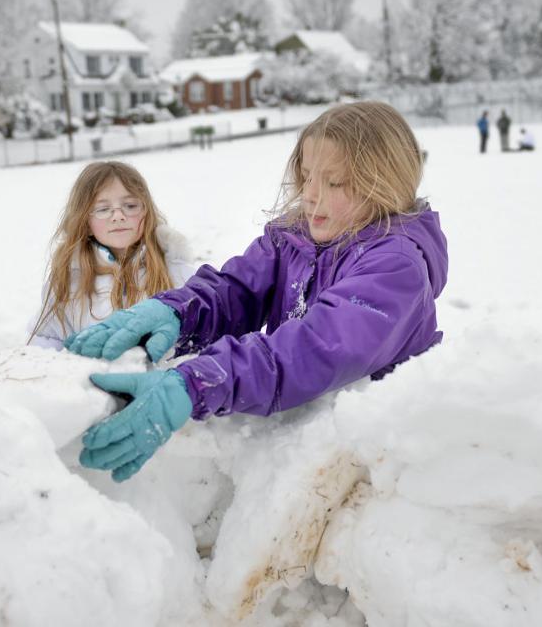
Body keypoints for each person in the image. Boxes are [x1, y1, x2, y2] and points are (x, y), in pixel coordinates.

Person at [65, 101, 449, 482]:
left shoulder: (396, 268)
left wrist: (198, 382)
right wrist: (177, 313)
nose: (311, 195)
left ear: (384, 185)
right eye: (306, 176)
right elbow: (236, 290)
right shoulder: (294, 238)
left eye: (334, 182)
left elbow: (316, 348)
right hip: (302, 443)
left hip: (374, 463)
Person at [26, 161, 195, 349]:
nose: (118, 216)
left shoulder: (178, 273)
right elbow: (45, 343)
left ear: (146, 212)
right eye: (103, 209)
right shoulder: (68, 281)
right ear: (85, 222)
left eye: (130, 205)